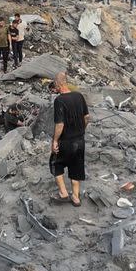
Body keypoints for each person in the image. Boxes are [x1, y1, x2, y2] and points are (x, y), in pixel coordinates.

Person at [50, 72, 90, 207]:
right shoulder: (79, 96)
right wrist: (81, 130)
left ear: (57, 84)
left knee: (55, 164)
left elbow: (60, 124)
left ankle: (63, 193)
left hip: (66, 141)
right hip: (80, 140)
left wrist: (55, 140)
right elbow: (87, 117)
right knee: (76, 167)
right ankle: (76, 197)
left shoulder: (59, 101)